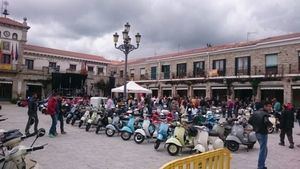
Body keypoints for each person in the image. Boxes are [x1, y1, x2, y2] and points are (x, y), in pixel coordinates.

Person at [248, 101, 273, 169]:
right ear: (264, 106)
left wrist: (255, 126)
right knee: (263, 150)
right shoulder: (265, 114)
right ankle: (260, 166)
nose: (270, 108)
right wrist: (271, 125)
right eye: (269, 106)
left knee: (264, 149)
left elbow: (249, 121)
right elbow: (267, 122)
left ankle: (262, 165)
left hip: (257, 133)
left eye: (270, 106)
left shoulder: (255, 113)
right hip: (263, 133)